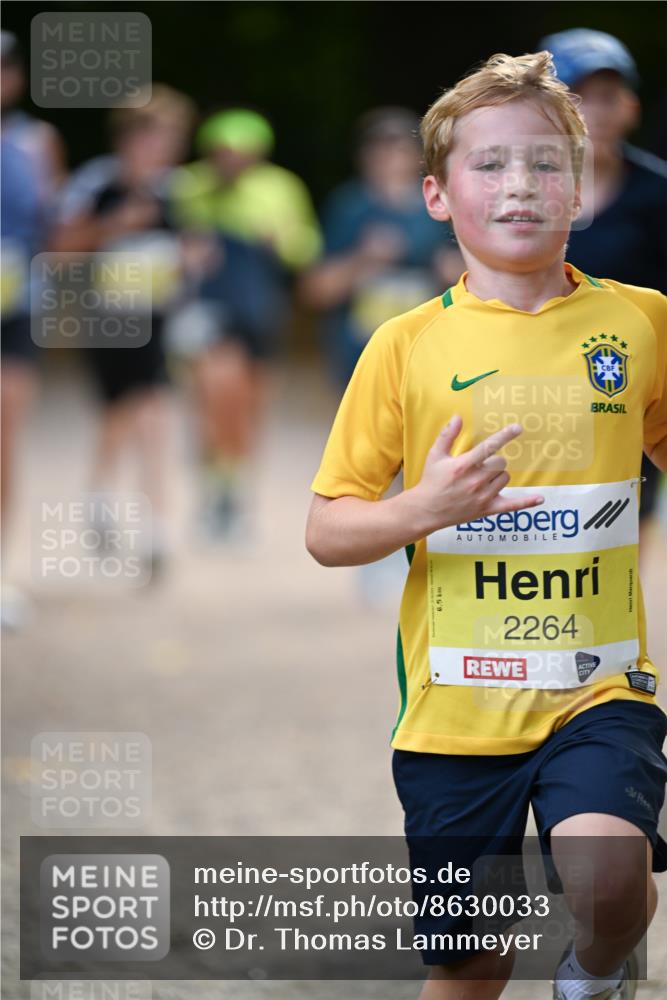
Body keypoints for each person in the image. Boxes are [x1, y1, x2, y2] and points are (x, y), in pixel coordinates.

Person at [306, 51, 667, 1000]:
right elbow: (327, 529)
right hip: (454, 716)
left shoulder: (641, 323)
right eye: (490, 164)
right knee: (472, 965)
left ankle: (595, 973)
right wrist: (423, 509)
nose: (521, 186)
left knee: (609, 874)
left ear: (581, 190)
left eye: (547, 164)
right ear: (434, 194)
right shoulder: (406, 345)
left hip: (598, 688)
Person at [301, 107, 463, 606]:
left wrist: (447, 268)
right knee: (368, 460)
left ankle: (420, 555)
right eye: (379, 147)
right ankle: (374, 559)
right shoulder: (349, 208)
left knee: (425, 453)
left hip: (432, 355)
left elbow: (470, 278)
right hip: (357, 355)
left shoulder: (437, 207)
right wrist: (364, 259)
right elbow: (317, 289)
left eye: (399, 147)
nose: (389, 157)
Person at [50, 85, 197, 575]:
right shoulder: (97, 183)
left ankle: (149, 524)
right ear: (129, 139)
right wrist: (115, 225)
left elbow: (189, 249)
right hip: (108, 317)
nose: (163, 150)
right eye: (154, 139)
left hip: (159, 317)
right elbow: (62, 246)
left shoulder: (176, 189)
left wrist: (192, 259)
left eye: (171, 140)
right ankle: (108, 500)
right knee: (125, 409)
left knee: (150, 408)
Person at [539, 28, 667, 559]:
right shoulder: (520, 187)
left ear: (631, 106)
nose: (597, 110)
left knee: (626, 515)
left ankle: (613, 621)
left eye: (609, 95)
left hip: (626, 381)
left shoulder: (657, 191)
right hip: (535, 378)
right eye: (579, 95)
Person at [170, 108, 322, 537]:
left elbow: (306, 246)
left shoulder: (280, 187)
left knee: (250, 407)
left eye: (242, 154)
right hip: (210, 311)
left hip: (261, 307)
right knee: (216, 396)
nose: (232, 162)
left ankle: (235, 491)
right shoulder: (188, 186)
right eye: (224, 153)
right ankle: (216, 489)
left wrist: (282, 240)